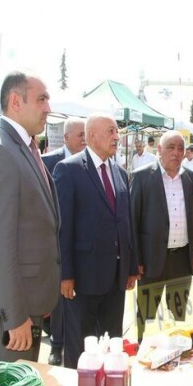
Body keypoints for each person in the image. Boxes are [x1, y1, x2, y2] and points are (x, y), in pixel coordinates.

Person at [0, 71, 61, 363]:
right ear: (15, 101)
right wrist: (16, 315)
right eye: (41, 99)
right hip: (14, 308)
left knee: (25, 384)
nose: (48, 108)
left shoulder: (22, 146)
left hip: (29, 299)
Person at [54, 112, 138, 369]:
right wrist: (65, 274)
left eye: (117, 131)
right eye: (111, 131)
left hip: (115, 279)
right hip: (83, 279)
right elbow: (62, 228)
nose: (117, 137)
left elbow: (126, 222)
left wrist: (131, 267)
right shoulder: (69, 170)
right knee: (81, 348)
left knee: (113, 345)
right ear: (91, 136)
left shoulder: (120, 172)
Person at [130, 131, 193, 341]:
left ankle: (176, 353)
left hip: (182, 259)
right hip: (151, 260)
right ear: (159, 150)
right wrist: (136, 260)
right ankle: (142, 350)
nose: (176, 152)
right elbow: (132, 222)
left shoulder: (190, 178)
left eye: (180, 148)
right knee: (146, 316)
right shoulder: (142, 177)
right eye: (171, 147)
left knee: (177, 316)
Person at [40, 117, 86, 367]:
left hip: (82, 240)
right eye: (80, 135)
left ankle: (76, 342)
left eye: (86, 134)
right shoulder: (47, 162)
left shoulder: (89, 162)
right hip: (54, 240)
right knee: (59, 297)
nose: (84, 139)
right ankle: (57, 345)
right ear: (66, 138)